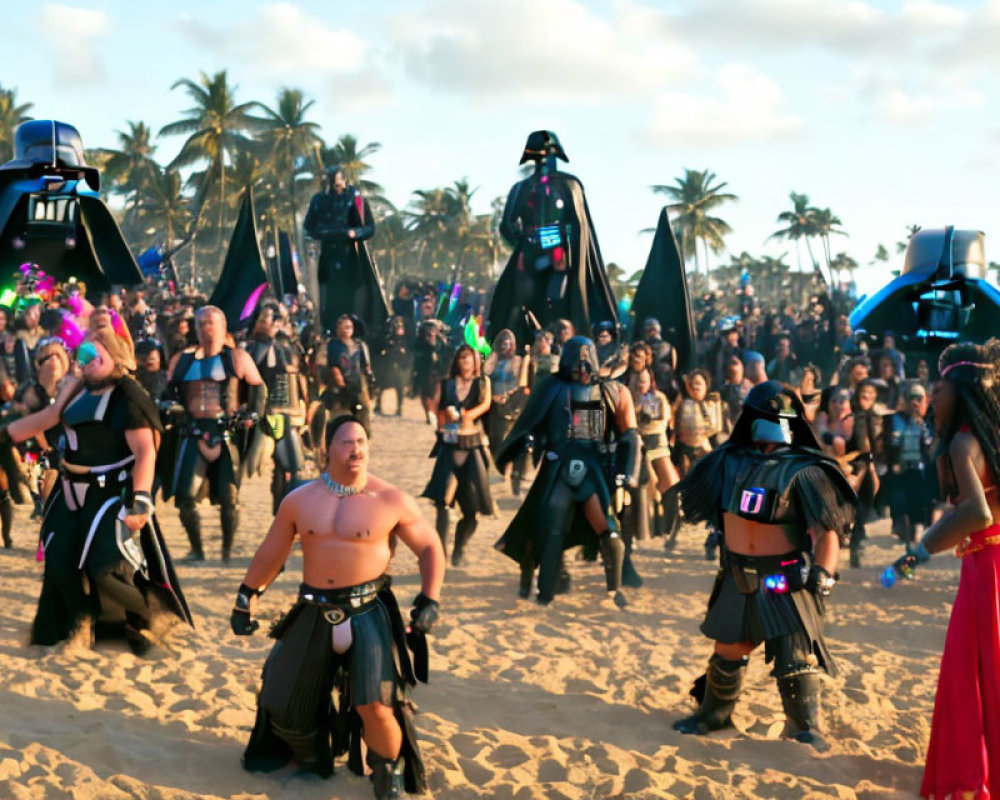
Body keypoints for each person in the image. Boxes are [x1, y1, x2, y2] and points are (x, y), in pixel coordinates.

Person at [235, 415, 445, 800]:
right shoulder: (299, 500)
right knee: (281, 700)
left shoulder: (389, 499)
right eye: (347, 442)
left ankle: (388, 778)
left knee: (376, 706)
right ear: (325, 450)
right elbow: (271, 553)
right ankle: (315, 758)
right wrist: (247, 595)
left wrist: (429, 599)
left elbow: (430, 547)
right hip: (313, 609)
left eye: (362, 441)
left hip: (368, 613)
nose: (356, 450)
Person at [673, 381, 856, 748]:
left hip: (784, 574)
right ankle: (715, 713)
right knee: (729, 647)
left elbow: (827, 532)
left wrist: (822, 573)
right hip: (737, 572)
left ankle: (803, 724)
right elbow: (705, 505)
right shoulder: (726, 461)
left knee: (794, 653)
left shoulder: (807, 470)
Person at [3, 323, 191, 650]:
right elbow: (48, 418)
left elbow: (145, 451)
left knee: (104, 569)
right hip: (67, 489)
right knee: (60, 561)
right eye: (82, 353)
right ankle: (83, 617)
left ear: (112, 353)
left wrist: (143, 501)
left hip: (110, 494)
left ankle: (151, 614)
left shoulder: (127, 394)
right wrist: (6, 434)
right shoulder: (75, 388)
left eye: (93, 352)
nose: (86, 359)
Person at [881, 342, 1000, 799]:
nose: (931, 393)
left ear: (961, 387)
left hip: (985, 571)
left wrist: (915, 555)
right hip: (987, 566)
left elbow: (976, 513)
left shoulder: (964, 441)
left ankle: (971, 781)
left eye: (938, 383)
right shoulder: (989, 436)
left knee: (969, 678)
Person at [493, 336, 640, 606]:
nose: (582, 370)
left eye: (586, 364)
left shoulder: (611, 391)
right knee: (552, 531)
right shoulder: (551, 388)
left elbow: (629, 434)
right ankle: (545, 593)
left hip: (593, 469)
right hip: (558, 466)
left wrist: (625, 471)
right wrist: (527, 443)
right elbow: (532, 424)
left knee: (609, 531)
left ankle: (614, 589)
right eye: (577, 364)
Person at [487, 131, 617, 346]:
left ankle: (565, 343)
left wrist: (566, 250)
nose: (544, 161)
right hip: (529, 255)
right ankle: (515, 344)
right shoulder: (521, 188)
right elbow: (507, 225)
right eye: (539, 156)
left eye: (547, 155)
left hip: (559, 255)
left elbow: (578, 225)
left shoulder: (569, 185)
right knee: (517, 305)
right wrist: (525, 240)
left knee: (558, 302)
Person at [163, 305, 266, 562]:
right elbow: (167, 395)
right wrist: (169, 408)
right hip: (194, 433)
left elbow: (259, 390)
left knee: (229, 497)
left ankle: (227, 552)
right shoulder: (183, 360)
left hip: (226, 433)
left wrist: (252, 415)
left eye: (210, 322)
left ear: (222, 326)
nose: (205, 327)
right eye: (201, 323)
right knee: (185, 497)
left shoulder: (237, 358)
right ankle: (197, 550)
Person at [421, 345, 496, 566]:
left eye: (470, 359)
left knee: (472, 510)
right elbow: (435, 406)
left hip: (472, 447)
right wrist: (442, 412)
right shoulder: (446, 383)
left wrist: (467, 415)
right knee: (443, 502)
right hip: (449, 446)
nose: (466, 363)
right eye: (462, 358)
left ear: (476, 361)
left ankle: (459, 549)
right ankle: (440, 554)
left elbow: (485, 404)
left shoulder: (482, 382)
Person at [303, 166, 389, 334]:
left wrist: (354, 233)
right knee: (328, 300)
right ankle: (328, 329)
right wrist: (320, 233)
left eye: (339, 182)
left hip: (349, 256)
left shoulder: (355, 199)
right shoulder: (318, 200)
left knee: (351, 299)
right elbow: (308, 227)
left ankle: (353, 329)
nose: (336, 186)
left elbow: (370, 228)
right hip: (327, 256)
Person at [243, 302, 309, 513]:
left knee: (292, 467)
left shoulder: (290, 347)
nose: (271, 324)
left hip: (289, 413)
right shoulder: (251, 350)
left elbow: (302, 380)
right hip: (263, 415)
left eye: (275, 320)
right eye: (265, 319)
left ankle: (286, 512)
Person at [484, 329, 530, 495]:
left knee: (510, 440)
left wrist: (507, 396)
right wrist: (493, 355)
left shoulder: (519, 361)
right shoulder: (494, 359)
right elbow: (485, 372)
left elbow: (522, 382)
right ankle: (503, 468)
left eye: (508, 343)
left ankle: (511, 473)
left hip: (513, 404)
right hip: (494, 404)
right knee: (495, 441)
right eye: (502, 342)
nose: (505, 346)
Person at [322, 314, 375, 436]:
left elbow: (365, 366)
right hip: (339, 387)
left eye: (350, 327)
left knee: (362, 412)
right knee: (339, 415)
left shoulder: (358, 345)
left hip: (357, 384)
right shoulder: (334, 345)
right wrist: (340, 381)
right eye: (345, 327)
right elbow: (333, 365)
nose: (348, 329)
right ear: (338, 328)